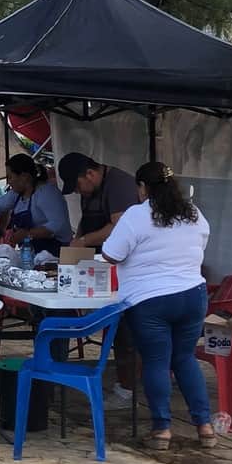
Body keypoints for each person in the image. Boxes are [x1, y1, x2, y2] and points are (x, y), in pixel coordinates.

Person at [102, 161, 215, 450]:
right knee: (185, 358)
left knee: (156, 362)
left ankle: (162, 430)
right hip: (192, 294)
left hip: (150, 299)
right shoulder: (193, 213)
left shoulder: (136, 215)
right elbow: (200, 245)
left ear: (143, 188)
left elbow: (112, 254)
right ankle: (205, 426)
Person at [57, 151, 140, 408]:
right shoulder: (91, 190)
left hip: (125, 269)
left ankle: (129, 389)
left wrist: (83, 242)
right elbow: (86, 223)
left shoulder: (119, 185)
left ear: (90, 174)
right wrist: (75, 248)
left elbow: (118, 226)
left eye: (79, 185)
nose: (80, 192)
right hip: (100, 267)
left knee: (126, 329)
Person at [0, 154, 72, 256]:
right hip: (33, 253)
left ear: (24, 177)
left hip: (57, 252)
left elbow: (58, 225)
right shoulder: (17, 194)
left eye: (10, 177)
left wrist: (27, 234)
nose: (9, 182)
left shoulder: (47, 193)